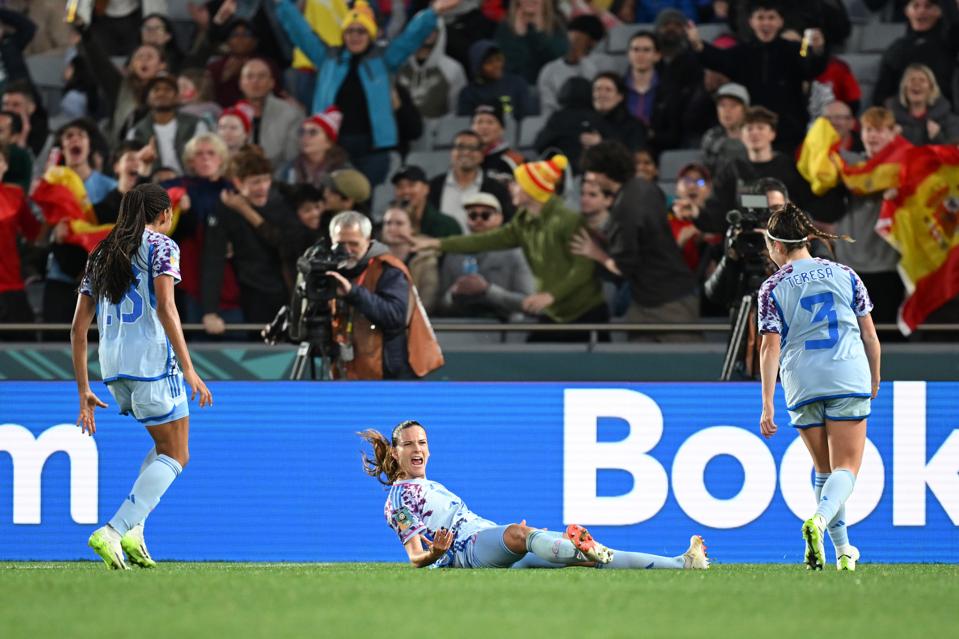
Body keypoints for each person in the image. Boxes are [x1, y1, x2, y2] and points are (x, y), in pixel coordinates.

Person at [71, 183, 213, 570]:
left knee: (165, 446)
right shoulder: (162, 246)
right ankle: (114, 530)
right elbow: (167, 307)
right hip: (153, 365)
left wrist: (84, 388)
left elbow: (79, 328)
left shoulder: (100, 253)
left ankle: (134, 531)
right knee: (176, 453)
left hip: (114, 370)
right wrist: (189, 367)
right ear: (164, 214)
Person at [359, 419, 709, 570]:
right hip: (464, 552)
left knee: (587, 560)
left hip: (481, 538)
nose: (418, 449)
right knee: (519, 533)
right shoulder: (399, 501)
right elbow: (415, 557)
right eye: (409, 444)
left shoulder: (430, 485)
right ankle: (554, 541)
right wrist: (436, 552)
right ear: (395, 453)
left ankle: (681, 564)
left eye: (423, 442)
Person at [757, 202, 881, 572]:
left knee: (824, 470)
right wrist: (874, 375)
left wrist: (767, 402)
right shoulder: (845, 274)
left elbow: (769, 346)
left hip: (802, 383)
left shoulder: (771, 288)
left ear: (776, 245)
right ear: (807, 239)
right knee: (846, 467)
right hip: (845, 374)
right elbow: (869, 334)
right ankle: (820, 520)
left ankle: (842, 552)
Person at [413, 155, 608, 341]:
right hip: (555, 313)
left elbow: (584, 268)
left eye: (516, 183)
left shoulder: (568, 220)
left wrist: (551, 295)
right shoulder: (523, 222)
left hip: (585, 313)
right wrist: (437, 243)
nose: (511, 187)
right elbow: (483, 241)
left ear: (531, 189)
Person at [276, 0, 462, 186]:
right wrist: (282, 3)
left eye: (361, 31)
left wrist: (433, 12)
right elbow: (300, 32)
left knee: (371, 202)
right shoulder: (327, 59)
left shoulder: (385, 60)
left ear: (371, 34)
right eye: (350, 30)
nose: (355, 36)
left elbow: (410, 38)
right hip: (335, 148)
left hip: (374, 149)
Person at [581, 141, 700, 341]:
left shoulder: (625, 208)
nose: (588, 178)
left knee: (685, 365)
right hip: (655, 297)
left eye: (591, 173)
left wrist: (595, 252)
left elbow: (622, 266)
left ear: (604, 173)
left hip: (667, 303)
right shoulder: (645, 186)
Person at [686, 2, 828, 152]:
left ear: (780, 22)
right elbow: (718, 59)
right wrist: (697, 44)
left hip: (789, 131)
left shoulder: (796, 49)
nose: (766, 23)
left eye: (771, 18)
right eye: (760, 18)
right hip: (752, 131)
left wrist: (817, 50)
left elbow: (810, 66)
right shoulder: (741, 53)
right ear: (751, 22)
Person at [323, 210, 443, 379]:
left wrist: (352, 292)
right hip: (350, 366)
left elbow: (395, 317)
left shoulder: (389, 269)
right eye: (341, 244)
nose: (348, 250)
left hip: (389, 369)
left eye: (354, 244)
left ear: (368, 240)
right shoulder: (330, 269)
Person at [202, 146, 291, 329]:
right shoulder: (224, 209)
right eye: (255, 182)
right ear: (238, 182)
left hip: (286, 290)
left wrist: (245, 210)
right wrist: (210, 311)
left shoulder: (283, 202)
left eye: (266, 180)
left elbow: (284, 245)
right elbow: (213, 260)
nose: (263, 187)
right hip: (250, 293)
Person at [436, 192, 534, 319]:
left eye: (485, 215)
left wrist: (487, 290)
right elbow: (440, 305)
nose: (478, 219)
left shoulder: (516, 253)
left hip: (504, 327)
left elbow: (528, 302)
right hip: (461, 326)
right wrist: (453, 293)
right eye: (473, 215)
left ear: (500, 218)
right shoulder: (454, 254)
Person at [873, 0, 959, 107]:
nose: (921, 11)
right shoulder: (896, 48)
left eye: (928, 6)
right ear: (907, 11)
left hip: (943, 113)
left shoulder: (950, 43)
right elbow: (881, 94)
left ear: (939, 12)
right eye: (915, 6)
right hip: (903, 114)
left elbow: (954, 25)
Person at [427, 130, 513, 230]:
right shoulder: (433, 186)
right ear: (452, 152)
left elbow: (507, 225)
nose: (466, 152)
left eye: (473, 148)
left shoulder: (497, 189)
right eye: (460, 147)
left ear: (482, 155)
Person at [127, 75, 210, 175]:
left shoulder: (196, 125)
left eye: (168, 89)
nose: (161, 93)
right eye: (156, 90)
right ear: (148, 98)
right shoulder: (136, 132)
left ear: (177, 97)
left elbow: (207, 159)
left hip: (190, 183)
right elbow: (132, 168)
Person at [238, 58, 304, 168]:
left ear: (271, 83)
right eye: (249, 76)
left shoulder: (291, 114)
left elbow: (292, 160)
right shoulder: (230, 117)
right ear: (241, 84)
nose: (255, 81)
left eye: (261, 76)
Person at [536, 15, 605, 117]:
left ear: (593, 42)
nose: (572, 44)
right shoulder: (549, 69)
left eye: (578, 39)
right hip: (558, 123)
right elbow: (547, 107)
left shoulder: (602, 63)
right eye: (570, 39)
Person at [395, 22, 467, 119]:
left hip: (438, 131)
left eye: (433, 29)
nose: (428, 33)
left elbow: (456, 110)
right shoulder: (397, 65)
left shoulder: (452, 68)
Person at [381, 204, 441, 313]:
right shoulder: (374, 258)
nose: (392, 228)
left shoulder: (425, 259)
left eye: (399, 223)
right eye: (388, 223)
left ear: (413, 228)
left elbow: (428, 300)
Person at [494, 0, 568, 84]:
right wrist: (519, 37)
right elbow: (507, 66)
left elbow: (559, 60)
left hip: (550, 86)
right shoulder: (506, 27)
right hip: (517, 89)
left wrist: (538, 32)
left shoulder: (556, 24)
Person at [457, 40, 533, 120]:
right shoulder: (469, 93)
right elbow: (465, 122)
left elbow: (527, 118)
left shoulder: (517, 84)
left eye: (498, 59)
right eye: (489, 62)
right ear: (478, 68)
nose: (496, 65)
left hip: (514, 130)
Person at [277, 109, 348, 190]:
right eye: (301, 132)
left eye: (313, 132)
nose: (304, 137)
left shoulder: (343, 172)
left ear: (329, 143)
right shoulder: (289, 169)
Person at [889, 63, 959, 145]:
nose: (916, 84)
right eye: (912, 80)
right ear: (904, 88)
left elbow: (953, 154)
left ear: (931, 88)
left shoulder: (950, 120)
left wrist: (938, 138)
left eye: (922, 80)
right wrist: (890, 140)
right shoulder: (890, 120)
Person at [391, 165, 462, 238]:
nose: (406, 191)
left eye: (411, 185)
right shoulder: (388, 227)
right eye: (399, 186)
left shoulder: (447, 226)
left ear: (426, 189)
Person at [700, 83, 749, 175]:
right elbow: (704, 174)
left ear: (745, 110)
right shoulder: (711, 137)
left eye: (733, 105)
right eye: (722, 105)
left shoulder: (755, 135)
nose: (727, 111)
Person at [471, 103, 526, 185]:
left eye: (490, 122)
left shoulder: (515, 160)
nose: (484, 127)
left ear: (502, 129)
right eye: (479, 122)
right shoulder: (465, 159)